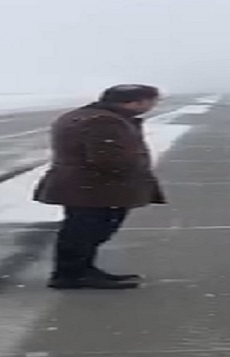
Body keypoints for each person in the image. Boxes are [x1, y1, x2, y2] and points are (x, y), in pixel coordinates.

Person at [33, 84, 166, 290]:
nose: (153, 105)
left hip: (84, 186)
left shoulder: (84, 115)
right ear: (135, 102)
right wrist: (134, 171)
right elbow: (108, 159)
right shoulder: (104, 121)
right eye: (152, 101)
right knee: (87, 231)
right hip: (96, 188)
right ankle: (72, 275)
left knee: (83, 230)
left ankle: (80, 271)